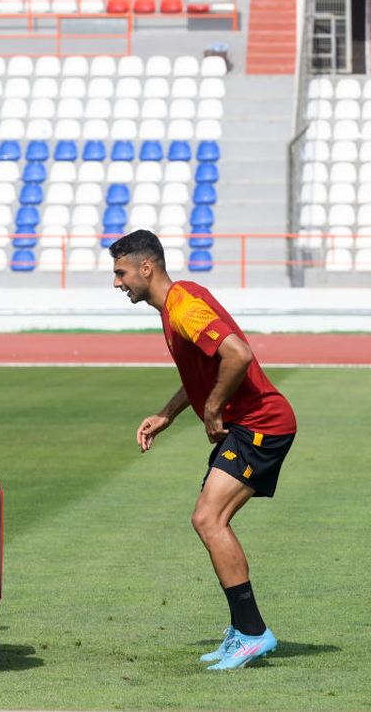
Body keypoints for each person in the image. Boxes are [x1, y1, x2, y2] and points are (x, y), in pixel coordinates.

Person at [109, 230, 297, 671]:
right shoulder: (180, 299)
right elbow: (205, 369)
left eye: (121, 273)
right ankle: (244, 628)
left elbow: (238, 354)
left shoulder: (184, 307)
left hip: (261, 425)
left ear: (146, 268)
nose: (118, 283)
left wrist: (212, 408)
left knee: (207, 518)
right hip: (249, 426)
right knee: (212, 519)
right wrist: (169, 414)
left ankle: (252, 632)